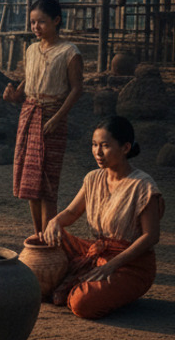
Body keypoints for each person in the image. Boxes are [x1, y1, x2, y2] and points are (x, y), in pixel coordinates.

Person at [43, 117, 163, 319]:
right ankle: (84, 280)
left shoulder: (143, 186)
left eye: (105, 146)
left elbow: (151, 237)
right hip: (98, 250)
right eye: (94, 145)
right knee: (45, 239)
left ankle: (89, 286)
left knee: (81, 304)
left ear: (125, 148)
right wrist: (54, 222)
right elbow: (72, 213)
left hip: (131, 264)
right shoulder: (93, 178)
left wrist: (111, 265)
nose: (97, 152)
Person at [4, 0, 83, 236]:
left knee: (47, 183)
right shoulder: (30, 50)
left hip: (52, 117)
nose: (36, 27)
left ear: (56, 21)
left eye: (41, 22)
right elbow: (27, 84)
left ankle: (50, 237)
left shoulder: (69, 52)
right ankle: (37, 233)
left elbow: (77, 88)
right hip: (29, 115)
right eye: (32, 22)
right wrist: (13, 95)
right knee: (30, 182)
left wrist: (58, 118)